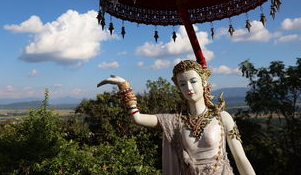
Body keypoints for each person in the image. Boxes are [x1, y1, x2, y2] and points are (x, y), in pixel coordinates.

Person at [97, 60, 255, 175]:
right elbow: (137, 118)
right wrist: (124, 87)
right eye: (183, 84)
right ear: (178, 88)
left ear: (204, 82)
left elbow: (240, 158)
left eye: (193, 81)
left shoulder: (222, 117)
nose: (189, 88)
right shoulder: (174, 122)